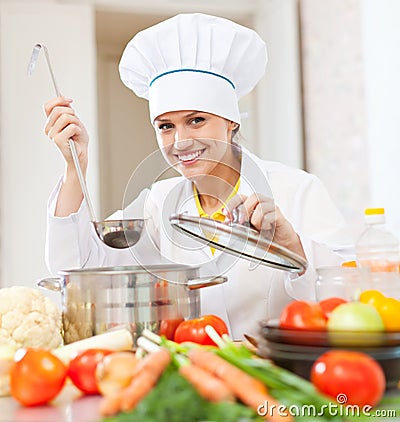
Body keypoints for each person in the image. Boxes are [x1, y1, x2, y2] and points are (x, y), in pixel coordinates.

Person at [43, 13, 350, 339]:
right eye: (166, 126)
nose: (180, 141)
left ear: (231, 121)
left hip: (279, 378)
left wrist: (294, 248)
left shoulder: (298, 190)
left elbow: (349, 298)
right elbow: (79, 266)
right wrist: (75, 167)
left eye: (197, 120)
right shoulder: (156, 203)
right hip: (194, 377)